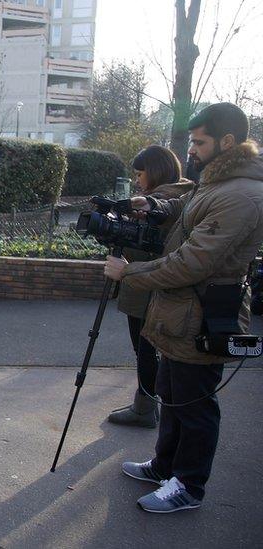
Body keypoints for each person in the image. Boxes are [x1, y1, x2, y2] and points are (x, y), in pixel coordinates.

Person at [105, 103, 263, 513]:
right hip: (180, 313)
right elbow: (185, 212)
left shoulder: (243, 194)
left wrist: (131, 273)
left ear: (226, 142)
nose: (190, 150)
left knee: (195, 405)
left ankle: (189, 486)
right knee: (172, 394)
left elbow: (194, 261)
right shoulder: (215, 182)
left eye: (199, 142)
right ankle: (164, 467)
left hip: (205, 312)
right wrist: (151, 207)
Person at [107, 146, 193, 428]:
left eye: (140, 174)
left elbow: (150, 246)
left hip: (146, 284)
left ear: (154, 172)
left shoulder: (162, 202)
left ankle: (145, 408)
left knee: (145, 350)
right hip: (155, 284)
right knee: (151, 351)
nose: (137, 180)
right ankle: (147, 405)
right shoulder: (183, 194)